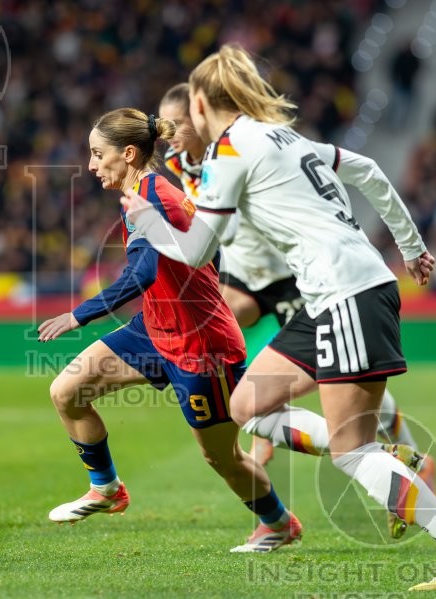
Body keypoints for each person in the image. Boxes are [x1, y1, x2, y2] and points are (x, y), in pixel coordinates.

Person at [122, 44, 436, 591]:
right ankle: (396, 461)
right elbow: (366, 169)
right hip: (332, 295)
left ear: (200, 104)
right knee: (247, 405)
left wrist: (145, 221)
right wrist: (410, 248)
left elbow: (199, 250)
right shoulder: (283, 136)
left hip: (344, 292)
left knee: (352, 452)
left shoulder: (232, 148)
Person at [158, 82, 435, 539]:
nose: (171, 134)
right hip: (246, 279)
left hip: (295, 277)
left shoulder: (238, 152)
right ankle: (276, 475)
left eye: (178, 124)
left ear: (202, 114)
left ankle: (392, 457)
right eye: (165, 126)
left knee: (344, 377)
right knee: (227, 349)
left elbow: (206, 237)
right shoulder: (180, 161)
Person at [38, 107, 301, 553]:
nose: (91, 165)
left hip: (201, 346)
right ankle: (106, 488)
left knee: (221, 457)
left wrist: (79, 315)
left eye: (97, 154)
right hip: (154, 329)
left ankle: (279, 522)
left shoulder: (154, 196)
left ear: (127, 153)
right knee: (67, 392)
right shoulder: (145, 192)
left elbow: (141, 272)